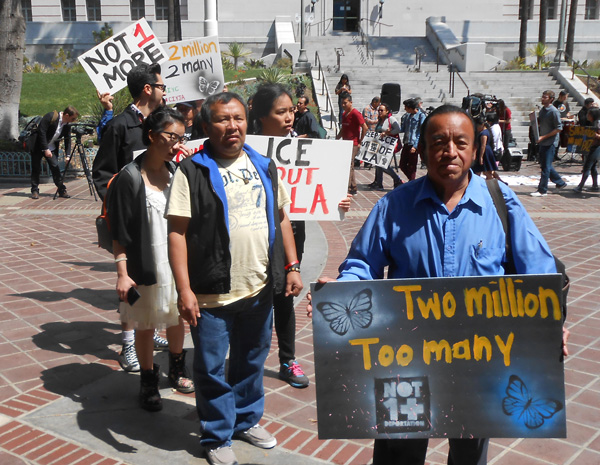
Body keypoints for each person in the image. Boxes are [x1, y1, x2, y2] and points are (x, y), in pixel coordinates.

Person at [308, 104, 568, 465]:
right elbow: (362, 264)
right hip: (406, 362)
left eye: (461, 143)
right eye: (439, 142)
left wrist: (549, 324)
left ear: (476, 149)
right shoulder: (394, 206)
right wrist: (340, 291)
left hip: (482, 359)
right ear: (423, 149)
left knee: (469, 453)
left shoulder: (502, 204)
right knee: (399, 452)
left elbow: (539, 275)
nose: (450, 152)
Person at [166, 92, 303, 465]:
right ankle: (216, 435)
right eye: (224, 120)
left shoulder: (263, 164)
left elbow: (281, 217)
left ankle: (246, 419)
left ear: (248, 122)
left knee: (252, 360)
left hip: (257, 288)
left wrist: (291, 265)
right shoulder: (191, 172)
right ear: (207, 126)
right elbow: (177, 233)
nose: (233, 126)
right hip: (210, 294)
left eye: (238, 118)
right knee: (211, 368)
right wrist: (184, 290)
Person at [250, 84, 351, 389]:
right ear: (262, 116)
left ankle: (287, 359)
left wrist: (338, 200)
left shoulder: (304, 147)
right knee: (253, 301)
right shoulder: (245, 148)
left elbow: (318, 189)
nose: (289, 117)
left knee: (285, 296)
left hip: (293, 234)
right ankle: (248, 360)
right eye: (281, 111)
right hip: (254, 237)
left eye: (291, 110)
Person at [108, 106, 194, 412]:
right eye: (172, 136)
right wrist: (122, 272)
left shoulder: (177, 173)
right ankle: (147, 380)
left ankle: (177, 367)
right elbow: (118, 231)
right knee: (144, 324)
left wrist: (189, 164)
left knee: (176, 317)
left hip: (175, 265)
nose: (177, 144)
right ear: (151, 135)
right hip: (144, 264)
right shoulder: (129, 177)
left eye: (182, 138)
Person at [92, 63, 168, 373]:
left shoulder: (162, 123)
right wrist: (121, 206)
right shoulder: (121, 126)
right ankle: (128, 342)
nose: (166, 90)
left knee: (159, 274)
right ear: (148, 89)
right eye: (161, 85)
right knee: (131, 280)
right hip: (131, 220)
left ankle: (151, 331)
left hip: (161, 215)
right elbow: (102, 174)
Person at [30, 106, 79, 200]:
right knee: (36, 168)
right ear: (67, 115)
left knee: (55, 167)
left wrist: (68, 155)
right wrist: (45, 149)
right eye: (72, 118)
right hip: (38, 146)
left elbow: (67, 140)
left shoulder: (67, 124)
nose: (73, 121)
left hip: (51, 147)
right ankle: (35, 190)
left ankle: (61, 189)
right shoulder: (50, 117)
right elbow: (41, 132)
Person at [531, 90, 567, 197]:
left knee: (545, 168)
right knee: (545, 165)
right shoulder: (543, 110)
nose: (542, 99)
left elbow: (559, 128)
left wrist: (544, 137)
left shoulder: (554, 111)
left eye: (545, 97)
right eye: (542, 97)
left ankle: (542, 190)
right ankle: (560, 183)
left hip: (550, 142)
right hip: (542, 141)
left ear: (551, 99)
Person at [336, 92, 368, 195]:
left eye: (345, 103)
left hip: (353, 144)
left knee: (349, 165)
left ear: (351, 102)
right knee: (350, 165)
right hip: (344, 143)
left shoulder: (355, 113)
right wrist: (336, 139)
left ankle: (348, 188)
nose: (343, 105)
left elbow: (365, 127)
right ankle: (353, 187)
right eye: (342, 103)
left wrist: (360, 142)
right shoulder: (344, 114)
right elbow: (343, 129)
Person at [367, 102, 402, 190]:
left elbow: (398, 129)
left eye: (382, 110)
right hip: (380, 145)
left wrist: (388, 132)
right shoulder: (379, 120)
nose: (379, 112)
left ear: (387, 111)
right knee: (377, 163)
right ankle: (378, 183)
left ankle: (397, 179)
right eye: (378, 110)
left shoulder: (391, 119)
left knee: (383, 165)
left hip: (388, 146)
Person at [573, 107, 600, 193]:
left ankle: (580, 186)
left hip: (596, 148)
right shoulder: (594, 123)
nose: (587, 115)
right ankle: (595, 185)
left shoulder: (598, 123)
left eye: (589, 114)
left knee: (587, 167)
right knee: (592, 167)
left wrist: (596, 135)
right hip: (592, 147)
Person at [398, 98, 426, 181]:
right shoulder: (407, 116)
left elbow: (420, 132)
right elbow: (402, 129)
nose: (404, 109)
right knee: (402, 165)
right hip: (407, 142)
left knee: (412, 166)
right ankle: (412, 181)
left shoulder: (421, 116)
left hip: (414, 144)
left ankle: (412, 182)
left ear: (410, 108)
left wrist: (415, 146)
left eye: (406, 107)